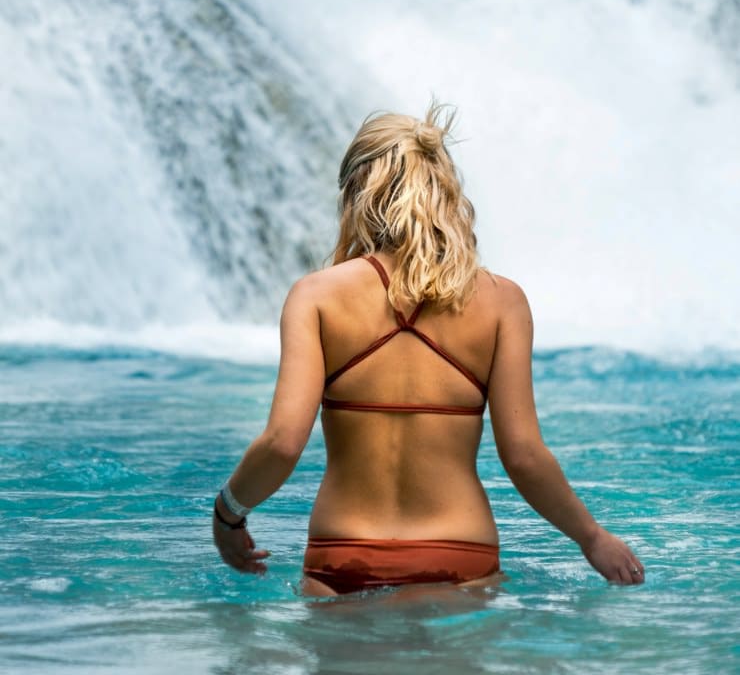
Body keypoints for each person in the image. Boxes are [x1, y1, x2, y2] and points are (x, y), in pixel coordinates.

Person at [212, 103, 645, 595]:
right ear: (444, 190)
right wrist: (591, 537)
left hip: (343, 552)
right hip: (459, 553)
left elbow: (283, 442)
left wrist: (228, 514)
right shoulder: (502, 301)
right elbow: (523, 455)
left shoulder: (316, 295)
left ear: (356, 193)